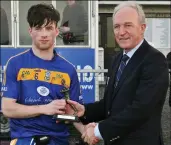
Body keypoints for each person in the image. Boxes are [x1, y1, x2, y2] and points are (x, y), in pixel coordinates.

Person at [66, 1, 169, 145]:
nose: (121, 32)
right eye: (116, 26)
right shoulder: (118, 59)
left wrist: (97, 131)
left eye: (128, 25)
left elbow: (140, 109)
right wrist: (84, 111)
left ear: (142, 28)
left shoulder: (155, 60)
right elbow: (109, 104)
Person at [1, 3, 86, 145]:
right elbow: (8, 108)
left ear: (56, 31)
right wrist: (45, 109)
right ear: (30, 31)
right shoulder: (15, 64)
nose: (44, 34)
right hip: (25, 139)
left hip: (59, 140)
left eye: (49, 28)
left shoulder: (68, 70)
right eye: (38, 28)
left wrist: (86, 131)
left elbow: (74, 113)